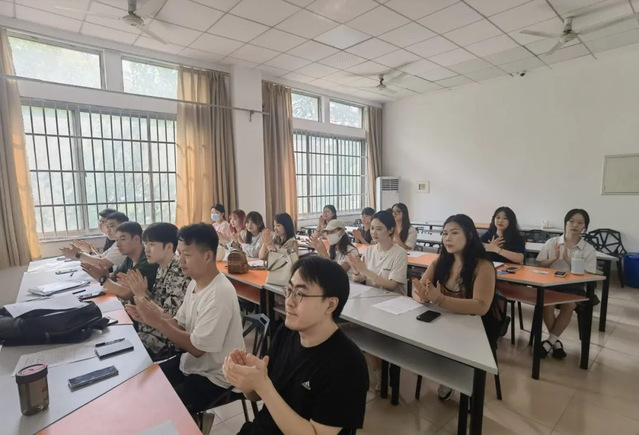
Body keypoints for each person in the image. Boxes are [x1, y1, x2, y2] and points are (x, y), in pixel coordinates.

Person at [224, 256, 368, 435]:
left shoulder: (348, 364)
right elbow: (257, 395)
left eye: (299, 294)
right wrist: (247, 380)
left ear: (330, 305)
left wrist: (263, 385)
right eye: (289, 290)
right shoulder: (287, 332)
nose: (289, 301)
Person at [126, 223, 245, 413]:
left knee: (159, 408)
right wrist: (151, 317)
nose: (180, 260)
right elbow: (179, 323)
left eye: (187, 255)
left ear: (208, 256)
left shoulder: (219, 294)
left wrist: (158, 322)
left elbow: (197, 349)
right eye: (179, 253)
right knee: (144, 384)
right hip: (190, 364)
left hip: (216, 376)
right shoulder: (195, 283)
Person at [411, 214, 496, 401]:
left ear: (469, 235)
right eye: (444, 233)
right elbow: (419, 288)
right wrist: (421, 297)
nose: (447, 238)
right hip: (445, 321)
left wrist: (440, 299)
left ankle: (453, 375)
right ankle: (444, 371)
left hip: (476, 327)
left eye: (454, 233)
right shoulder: (440, 261)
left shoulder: (483, 267)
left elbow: (481, 306)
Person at [118, 222, 191, 361]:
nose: (146, 249)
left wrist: (142, 295)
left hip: (164, 345)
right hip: (149, 334)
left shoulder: (179, 272)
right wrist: (144, 292)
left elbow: (172, 319)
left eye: (151, 244)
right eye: (145, 244)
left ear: (169, 247)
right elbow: (160, 303)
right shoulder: (161, 267)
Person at [535, 209, 597, 359]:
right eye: (571, 221)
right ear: (566, 223)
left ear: (585, 227)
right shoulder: (552, 242)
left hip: (575, 286)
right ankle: (555, 343)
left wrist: (570, 262)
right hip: (552, 284)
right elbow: (539, 266)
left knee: (569, 305)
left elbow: (590, 276)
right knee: (547, 304)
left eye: (580, 223)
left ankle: (549, 343)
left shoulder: (588, 249)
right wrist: (553, 259)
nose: (575, 225)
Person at [82, 221, 158, 301]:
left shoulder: (148, 262)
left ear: (136, 239)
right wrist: (104, 275)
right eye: (117, 240)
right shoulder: (129, 258)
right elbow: (113, 278)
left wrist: (103, 279)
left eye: (123, 239)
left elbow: (126, 294)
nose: (118, 244)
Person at [347, 210, 407, 295]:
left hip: (393, 299)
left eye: (379, 229)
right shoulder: (369, 250)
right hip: (372, 296)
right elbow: (359, 278)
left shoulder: (400, 253)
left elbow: (392, 286)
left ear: (390, 230)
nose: (374, 232)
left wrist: (365, 271)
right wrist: (355, 270)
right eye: (372, 228)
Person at [59, 211, 127, 269]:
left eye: (111, 226)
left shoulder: (124, 244)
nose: (108, 230)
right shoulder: (115, 242)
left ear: (123, 225)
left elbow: (103, 264)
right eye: (107, 226)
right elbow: (101, 257)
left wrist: (79, 255)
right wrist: (83, 253)